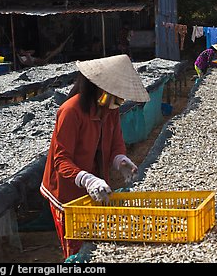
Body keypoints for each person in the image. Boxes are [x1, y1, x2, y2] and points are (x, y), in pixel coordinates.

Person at [39, 54, 150, 259]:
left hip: (96, 183)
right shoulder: (70, 111)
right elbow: (61, 160)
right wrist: (87, 179)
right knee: (76, 245)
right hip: (66, 190)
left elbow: (116, 141)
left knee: (95, 236)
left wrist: (120, 160)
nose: (118, 100)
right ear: (99, 88)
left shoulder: (110, 110)